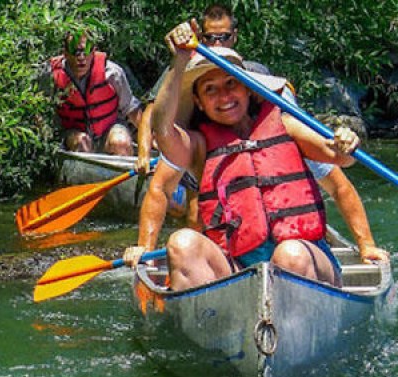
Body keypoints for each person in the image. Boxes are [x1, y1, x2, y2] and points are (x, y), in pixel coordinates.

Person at [124, 22, 386, 291]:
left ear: (248, 89)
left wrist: (346, 144)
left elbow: (341, 159)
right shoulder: (199, 146)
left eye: (231, 83)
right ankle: (212, 320)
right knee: (182, 242)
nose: (224, 95)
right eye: (210, 89)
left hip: (306, 260)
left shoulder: (286, 125)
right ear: (200, 103)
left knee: (290, 255)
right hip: (239, 267)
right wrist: (179, 60)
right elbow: (163, 130)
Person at [49, 30, 147, 156]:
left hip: (108, 129)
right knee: (81, 142)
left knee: (120, 142)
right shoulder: (51, 76)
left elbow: (132, 110)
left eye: (86, 50)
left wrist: (151, 140)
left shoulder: (112, 73)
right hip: (74, 133)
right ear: (66, 53)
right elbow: (39, 114)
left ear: (94, 51)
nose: (81, 57)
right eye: (75, 51)